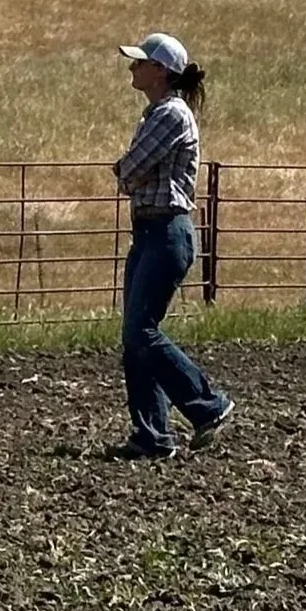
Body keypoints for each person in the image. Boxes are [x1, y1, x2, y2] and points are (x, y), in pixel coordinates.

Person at [110, 31, 236, 459]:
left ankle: (207, 406)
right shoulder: (159, 114)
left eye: (140, 62)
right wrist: (128, 172)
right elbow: (132, 173)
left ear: (159, 70)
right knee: (135, 335)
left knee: (140, 331)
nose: (133, 67)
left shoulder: (169, 116)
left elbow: (129, 171)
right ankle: (152, 435)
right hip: (152, 232)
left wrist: (125, 171)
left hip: (164, 232)